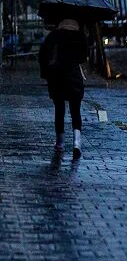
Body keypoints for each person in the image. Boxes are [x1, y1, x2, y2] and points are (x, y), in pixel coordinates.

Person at [39, 18, 89, 157]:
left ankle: (60, 143)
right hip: (74, 76)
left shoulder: (54, 35)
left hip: (57, 77)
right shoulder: (80, 35)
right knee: (75, 110)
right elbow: (84, 57)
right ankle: (76, 143)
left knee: (59, 109)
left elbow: (43, 54)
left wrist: (46, 73)